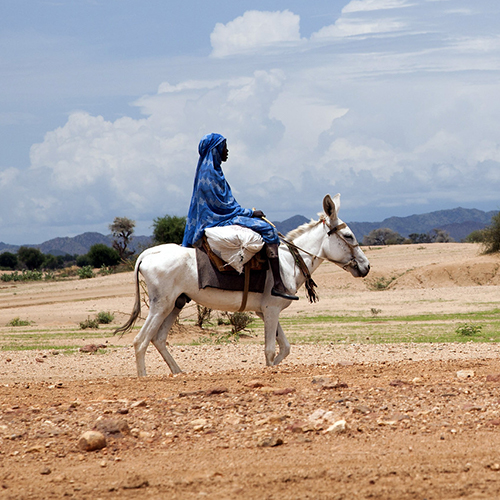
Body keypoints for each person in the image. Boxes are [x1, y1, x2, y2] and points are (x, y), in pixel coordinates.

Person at [182, 133, 299, 301]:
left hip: (219, 216)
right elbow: (223, 207)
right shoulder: (210, 174)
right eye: (224, 147)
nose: (227, 151)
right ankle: (278, 284)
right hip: (217, 219)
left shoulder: (211, 171)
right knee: (268, 230)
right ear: (216, 150)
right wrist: (251, 213)